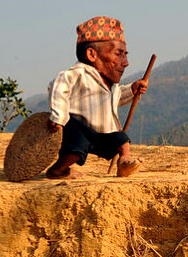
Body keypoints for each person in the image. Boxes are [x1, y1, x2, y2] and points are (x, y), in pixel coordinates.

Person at [45, 16, 148, 179]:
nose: (126, 62)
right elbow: (58, 86)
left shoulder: (110, 84)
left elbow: (115, 98)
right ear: (92, 54)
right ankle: (58, 170)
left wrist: (132, 90)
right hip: (79, 129)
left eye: (125, 55)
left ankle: (123, 163)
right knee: (76, 150)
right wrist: (58, 116)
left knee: (121, 140)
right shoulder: (78, 75)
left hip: (101, 132)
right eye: (118, 54)